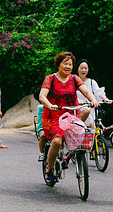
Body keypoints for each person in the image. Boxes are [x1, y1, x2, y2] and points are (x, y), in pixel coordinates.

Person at [39, 52, 99, 183]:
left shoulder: (74, 79)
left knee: (80, 138)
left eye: (70, 64)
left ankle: (67, 157)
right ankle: (49, 169)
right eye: (65, 63)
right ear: (58, 65)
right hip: (53, 116)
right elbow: (42, 96)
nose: (68, 66)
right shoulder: (50, 78)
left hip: (71, 116)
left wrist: (93, 100)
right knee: (57, 142)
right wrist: (50, 105)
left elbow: (87, 91)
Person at [75, 59, 112, 129]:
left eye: (85, 68)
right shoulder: (73, 81)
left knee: (93, 129)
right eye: (81, 68)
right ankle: (76, 129)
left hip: (90, 110)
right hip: (77, 110)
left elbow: (98, 92)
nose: (83, 70)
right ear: (77, 69)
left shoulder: (92, 82)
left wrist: (105, 99)